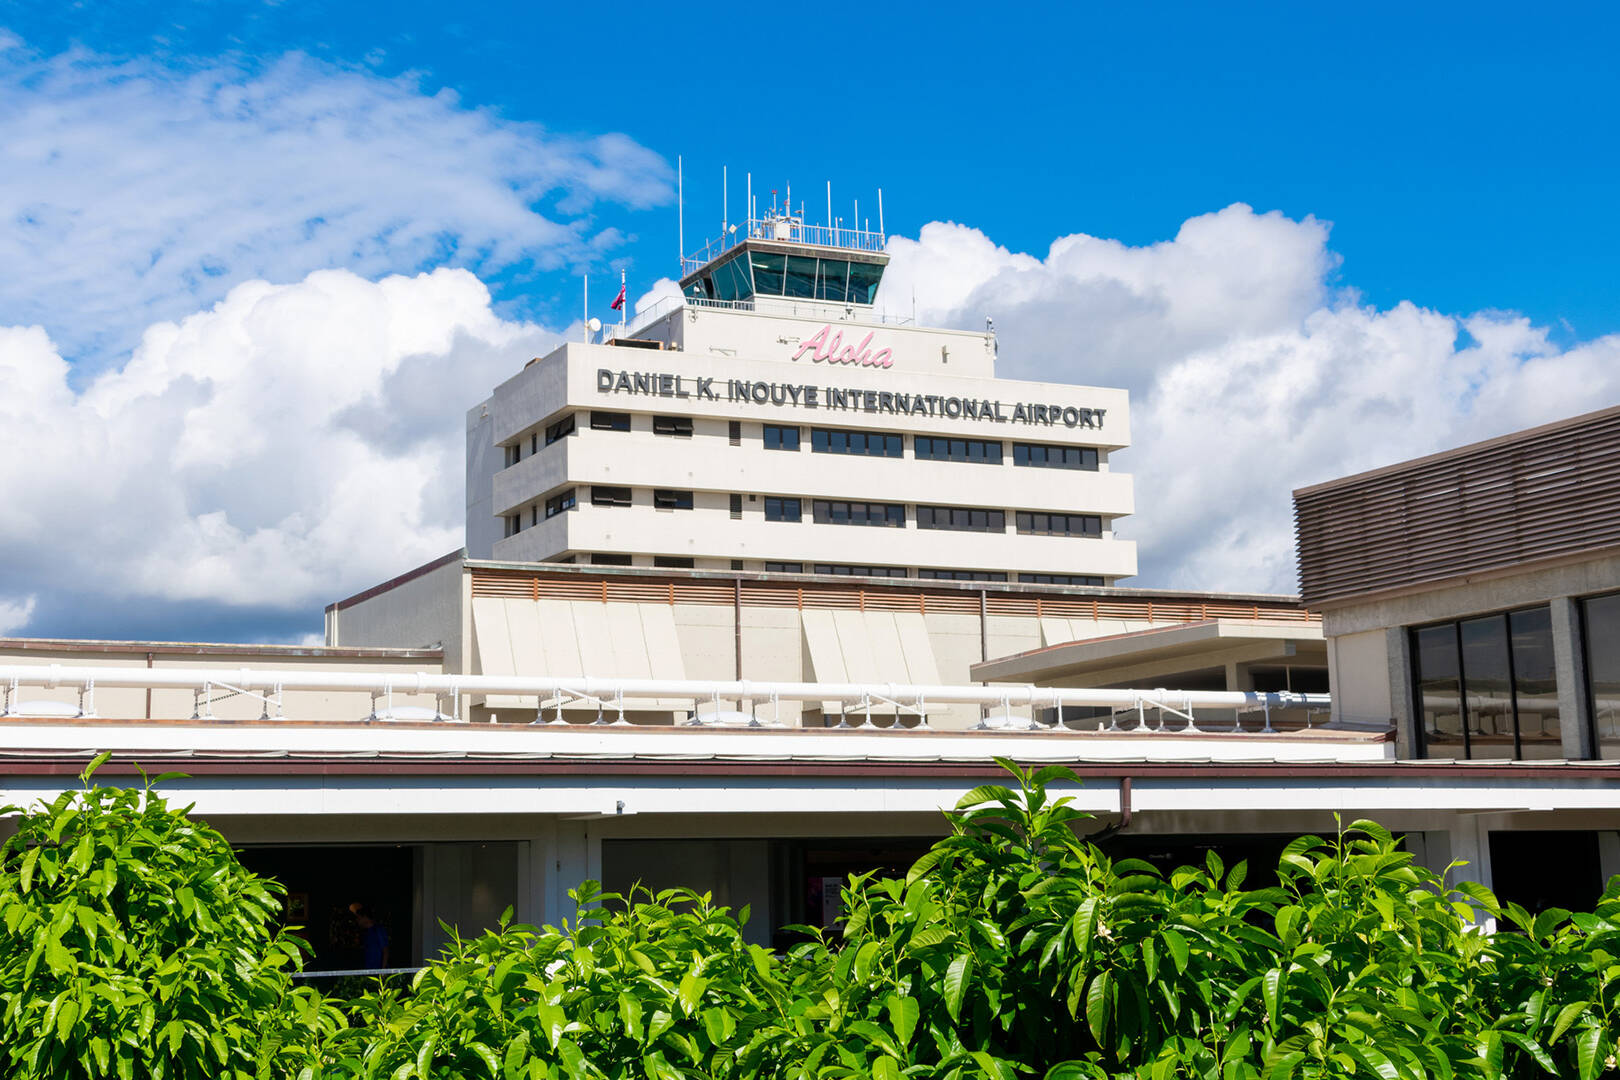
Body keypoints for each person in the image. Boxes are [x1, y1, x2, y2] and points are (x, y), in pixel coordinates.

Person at [351, 903, 390, 970]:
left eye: (358, 918)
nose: (357, 920)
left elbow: (385, 951)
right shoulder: (366, 933)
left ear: (365, 917)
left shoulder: (378, 930)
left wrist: (383, 971)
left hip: (378, 972)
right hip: (368, 971)